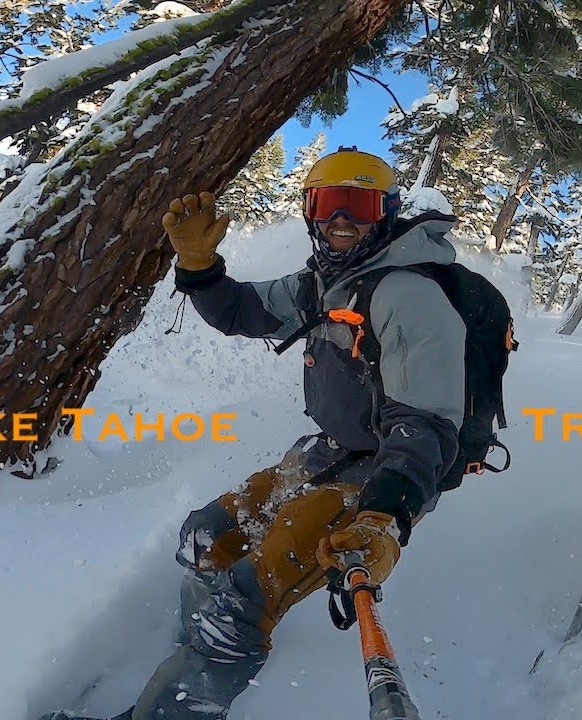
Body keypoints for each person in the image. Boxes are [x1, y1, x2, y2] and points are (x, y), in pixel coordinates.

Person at [130, 147, 467, 719]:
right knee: (205, 538)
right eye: (328, 204)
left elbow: (426, 425)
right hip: (326, 455)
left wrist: (383, 516)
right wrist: (198, 265)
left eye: (359, 206)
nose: (342, 221)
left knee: (244, 597)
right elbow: (241, 312)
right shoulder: (325, 283)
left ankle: (192, 687)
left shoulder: (408, 295)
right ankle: (194, 659)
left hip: (384, 477)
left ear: (384, 215)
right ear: (310, 212)